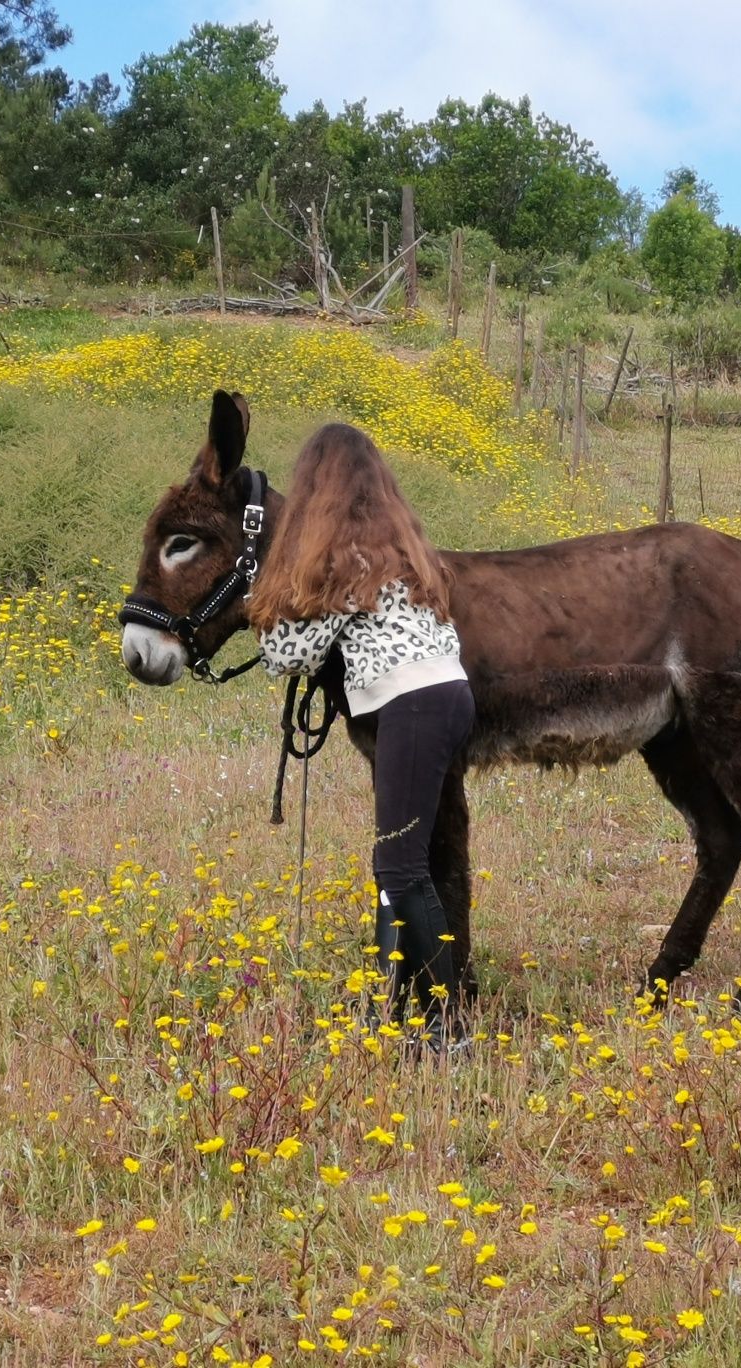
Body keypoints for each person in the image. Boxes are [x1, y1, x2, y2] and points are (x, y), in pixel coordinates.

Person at [247, 424, 475, 1045]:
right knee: (397, 864)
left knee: (400, 867)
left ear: (316, 487)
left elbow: (289, 656)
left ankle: (446, 1024)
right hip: (451, 697)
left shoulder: (344, 558)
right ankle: (390, 1000)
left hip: (412, 706)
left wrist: (261, 610)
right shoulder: (400, 547)